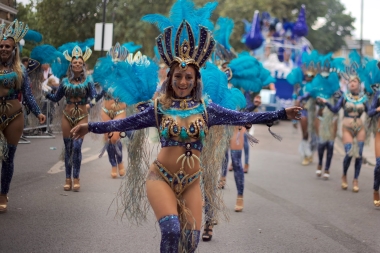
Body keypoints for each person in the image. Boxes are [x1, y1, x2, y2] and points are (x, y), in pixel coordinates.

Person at [71, 18, 301, 252]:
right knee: (171, 231)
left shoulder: (207, 109)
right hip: (160, 178)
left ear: (196, 80)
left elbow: (242, 117)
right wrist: (89, 127)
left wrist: (282, 113)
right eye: (178, 76)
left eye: (188, 77)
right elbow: (126, 122)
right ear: (170, 79)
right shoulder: (158, 107)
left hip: (191, 182)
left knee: (190, 242)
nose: (183, 82)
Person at [0, 20, 46, 212]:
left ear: (14, 49)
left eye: (7, 46)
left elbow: (27, 94)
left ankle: (3, 194)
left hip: (14, 117)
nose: (3, 49)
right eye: (1, 46)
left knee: (8, 158)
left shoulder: (21, 71)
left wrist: (38, 112)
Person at [46, 43, 97, 192]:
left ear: (83, 65)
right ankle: (67, 179)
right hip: (67, 116)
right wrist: (46, 93)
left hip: (81, 116)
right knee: (68, 148)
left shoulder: (89, 82)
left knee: (76, 147)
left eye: (80, 63)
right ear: (71, 65)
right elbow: (56, 98)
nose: (77, 64)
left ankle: (77, 178)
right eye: (74, 62)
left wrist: (89, 105)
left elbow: (94, 98)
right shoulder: (64, 82)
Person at [317, 52, 367, 192]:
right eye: (350, 81)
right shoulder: (344, 98)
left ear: (358, 84)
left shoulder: (364, 98)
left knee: (360, 154)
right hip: (347, 128)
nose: (351, 83)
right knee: (349, 153)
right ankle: (344, 175)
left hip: (361, 128)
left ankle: (355, 179)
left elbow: (370, 112)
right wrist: (326, 103)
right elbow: (334, 109)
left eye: (354, 81)